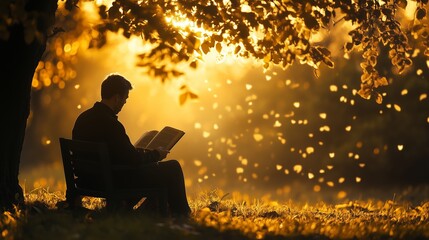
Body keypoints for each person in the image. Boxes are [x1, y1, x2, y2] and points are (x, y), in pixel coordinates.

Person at [72, 73, 191, 217]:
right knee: (172, 168)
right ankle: (182, 214)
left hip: (88, 179)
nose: (123, 104)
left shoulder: (82, 119)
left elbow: (119, 153)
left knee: (157, 171)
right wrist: (156, 154)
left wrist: (136, 153)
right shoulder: (111, 125)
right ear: (117, 98)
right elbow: (132, 160)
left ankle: (135, 208)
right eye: (125, 99)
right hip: (112, 180)